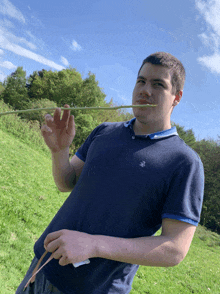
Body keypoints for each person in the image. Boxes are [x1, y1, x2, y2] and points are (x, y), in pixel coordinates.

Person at [16, 52, 204, 294]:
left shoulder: (184, 162)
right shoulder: (104, 131)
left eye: (158, 84)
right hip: (41, 268)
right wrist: (59, 151)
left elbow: (174, 249)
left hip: (93, 289)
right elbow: (66, 182)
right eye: (141, 81)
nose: (145, 90)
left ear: (176, 98)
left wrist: (94, 244)